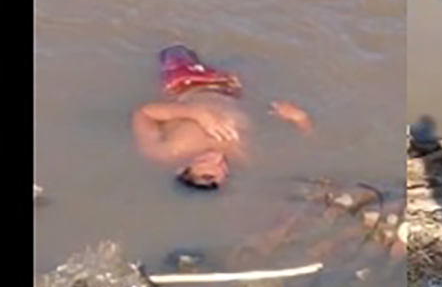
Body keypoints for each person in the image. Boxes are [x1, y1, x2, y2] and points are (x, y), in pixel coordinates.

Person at [132, 45, 310, 190]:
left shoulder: (165, 151)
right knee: (263, 59)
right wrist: (300, 119)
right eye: (224, 169)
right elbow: (306, 148)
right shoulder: (248, 157)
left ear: (181, 169)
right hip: (234, 88)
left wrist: (197, 114)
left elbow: (144, 113)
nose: (218, 159)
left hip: (187, 83)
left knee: (173, 48)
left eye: (205, 162)